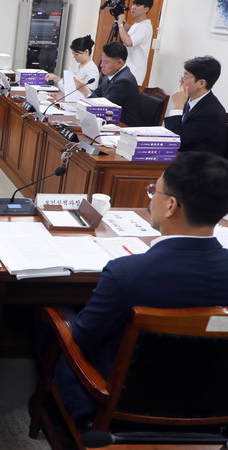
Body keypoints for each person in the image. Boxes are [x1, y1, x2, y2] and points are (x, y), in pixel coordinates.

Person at [52, 152, 228, 421]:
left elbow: (83, 337)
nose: (151, 198)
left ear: (171, 205)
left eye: (154, 191)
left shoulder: (126, 274)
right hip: (212, 408)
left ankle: (53, 415)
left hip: (122, 407)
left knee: (56, 317)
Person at [164, 56, 226, 156]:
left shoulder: (211, 112)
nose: (181, 81)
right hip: (183, 156)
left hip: (199, 162)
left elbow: (178, 142)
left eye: (185, 77)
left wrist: (178, 107)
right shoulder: (189, 99)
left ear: (201, 83)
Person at [75, 41, 141, 127]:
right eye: (102, 61)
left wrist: (86, 92)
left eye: (106, 62)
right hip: (108, 122)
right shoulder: (110, 74)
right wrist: (85, 88)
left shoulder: (124, 81)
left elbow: (105, 108)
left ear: (119, 63)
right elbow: (97, 94)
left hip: (123, 126)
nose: (101, 65)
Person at [117, 0, 154, 85]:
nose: (133, 7)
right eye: (133, 4)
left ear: (146, 9)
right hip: (128, 72)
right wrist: (125, 26)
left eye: (137, 5)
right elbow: (132, 31)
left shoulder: (144, 27)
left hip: (133, 74)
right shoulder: (138, 24)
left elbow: (128, 42)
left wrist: (120, 24)